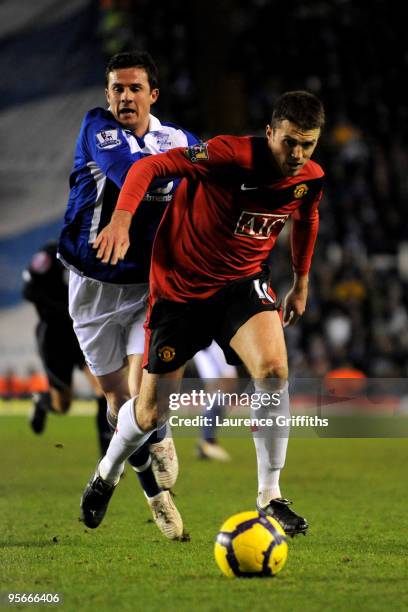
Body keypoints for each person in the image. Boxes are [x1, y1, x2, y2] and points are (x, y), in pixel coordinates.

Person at [82, 90, 325, 537]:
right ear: (269, 132)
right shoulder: (227, 155)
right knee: (153, 413)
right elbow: (151, 166)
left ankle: (270, 496)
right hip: (182, 290)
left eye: (307, 145)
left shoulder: (310, 177)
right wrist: (121, 216)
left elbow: (307, 215)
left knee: (273, 371)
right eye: (289, 142)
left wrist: (301, 280)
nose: (296, 154)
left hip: (242, 285)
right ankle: (107, 473)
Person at [58, 50, 200, 539]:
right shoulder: (97, 127)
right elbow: (127, 172)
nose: (124, 97)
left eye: (135, 88)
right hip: (90, 285)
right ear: (107, 95)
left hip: (146, 285)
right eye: (117, 88)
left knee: (145, 396)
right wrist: (178, 169)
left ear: (152, 95)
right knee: (117, 401)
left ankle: (152, 456)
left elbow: (211, 171)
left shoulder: (177, 138)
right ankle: (152, 490)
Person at [22, 241, 111, 455]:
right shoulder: (51, 254)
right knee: (62, 405)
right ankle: (42, 401)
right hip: (54, 338)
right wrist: (63, 310)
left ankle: (106, 458)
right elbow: (28, 290)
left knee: (104, 389)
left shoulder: (97, 250)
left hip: (81, 333)